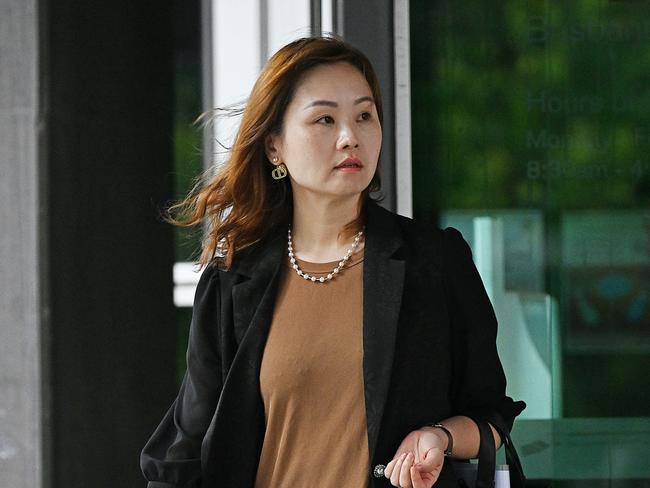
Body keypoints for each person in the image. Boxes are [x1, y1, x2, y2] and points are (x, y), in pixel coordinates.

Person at [140, 34, 525, 488]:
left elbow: (492, 417)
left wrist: (437, 436)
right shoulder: (234, 278)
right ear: (274, 147)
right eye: (324, 119)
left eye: (364, 116)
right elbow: (185, 450)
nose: (350, 137)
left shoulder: (434, 261)